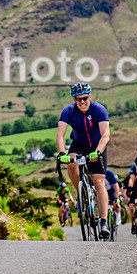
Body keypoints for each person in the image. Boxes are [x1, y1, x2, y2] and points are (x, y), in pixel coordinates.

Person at [56, 82, 111, 239]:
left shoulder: (99, 110)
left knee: (98, 182)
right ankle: (81, 194)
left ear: (90, 96)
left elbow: (106, 134)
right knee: (71, 164)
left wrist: (98, 152)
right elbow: (60, 135)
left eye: (85, 98)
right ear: (74, 100)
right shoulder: (68, 111)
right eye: (78, 99)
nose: (82, 102)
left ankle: (104, 222)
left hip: (97, 146)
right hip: (79, 145)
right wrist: (62, 152)